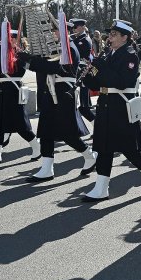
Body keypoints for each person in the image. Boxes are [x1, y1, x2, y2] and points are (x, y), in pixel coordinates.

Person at [80, 20, 141, 201]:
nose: (110, 37)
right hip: (106, 103)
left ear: (125, 37)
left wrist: (100, 66)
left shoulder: (131, 55)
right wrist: (87, 76)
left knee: (129, 148)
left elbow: (121, 81)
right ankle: (101, 188)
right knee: (103, 147)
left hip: (121, 106)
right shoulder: (109, 54)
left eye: (115, 34)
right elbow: (99, 82)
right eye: (110, 34)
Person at [24, 25, 96, 180]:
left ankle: (89, 156)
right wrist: (27, 58)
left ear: (64, 31)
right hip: (51, 91)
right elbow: (43, 67)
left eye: (54, 31)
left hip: (64, 92)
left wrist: (28, 59)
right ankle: (47, 168)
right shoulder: (57, 48)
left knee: (68, 133)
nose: (50, 34)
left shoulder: (69, 47)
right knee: (45, 131)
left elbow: (53, 67)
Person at [0, 30, 40, 165]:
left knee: (20, 123)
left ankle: (36, 146)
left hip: (13, 89)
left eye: (11, 38)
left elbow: (20, 69)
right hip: (1, 88)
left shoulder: (20, 53)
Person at [71, 19, 97, 123]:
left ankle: (97, 126)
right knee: (81, 106)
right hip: (79, 73)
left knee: (83, 106)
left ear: (82, 27)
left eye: (75, 27)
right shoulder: (77, 39)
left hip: (83, 73)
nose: (73, 29)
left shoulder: (84, 40)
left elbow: (82, 58)